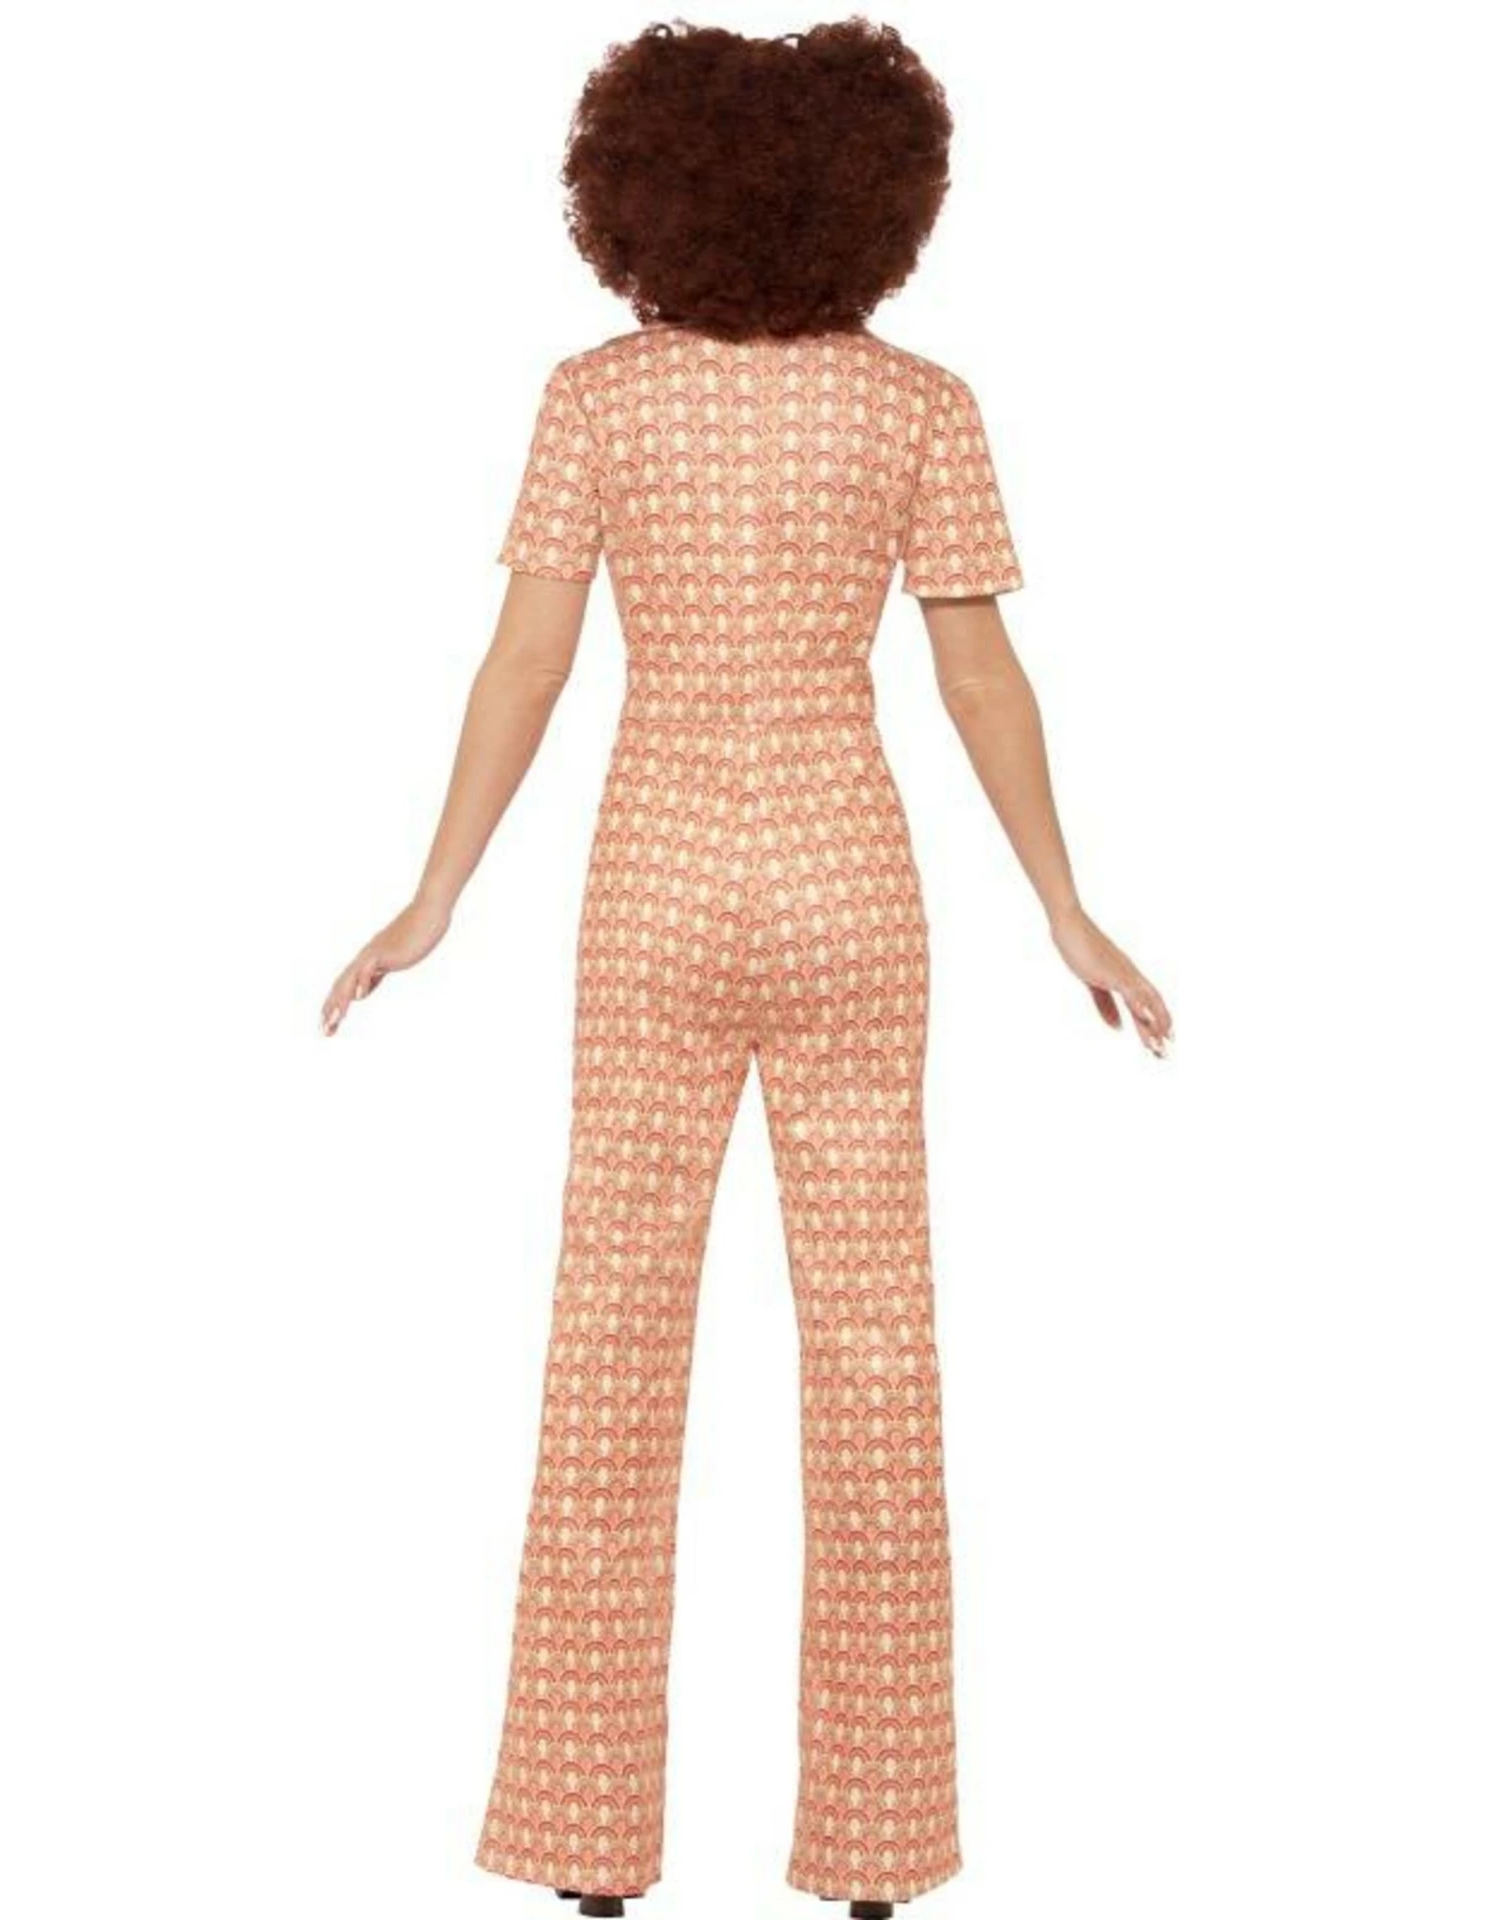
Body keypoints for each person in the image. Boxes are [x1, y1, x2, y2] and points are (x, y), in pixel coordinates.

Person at [320, 18, 1173, 1920]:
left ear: (639, 196)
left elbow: (530, 663)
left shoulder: (595, 403)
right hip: (853, 884)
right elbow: (978, 678)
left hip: (657, 888)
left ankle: (586, 1855)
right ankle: (875, 1858)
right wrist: (1064, 903)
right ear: (879, 203)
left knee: (609, 1351)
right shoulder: (921, 405)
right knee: (877, 1358)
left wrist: (435, 890)